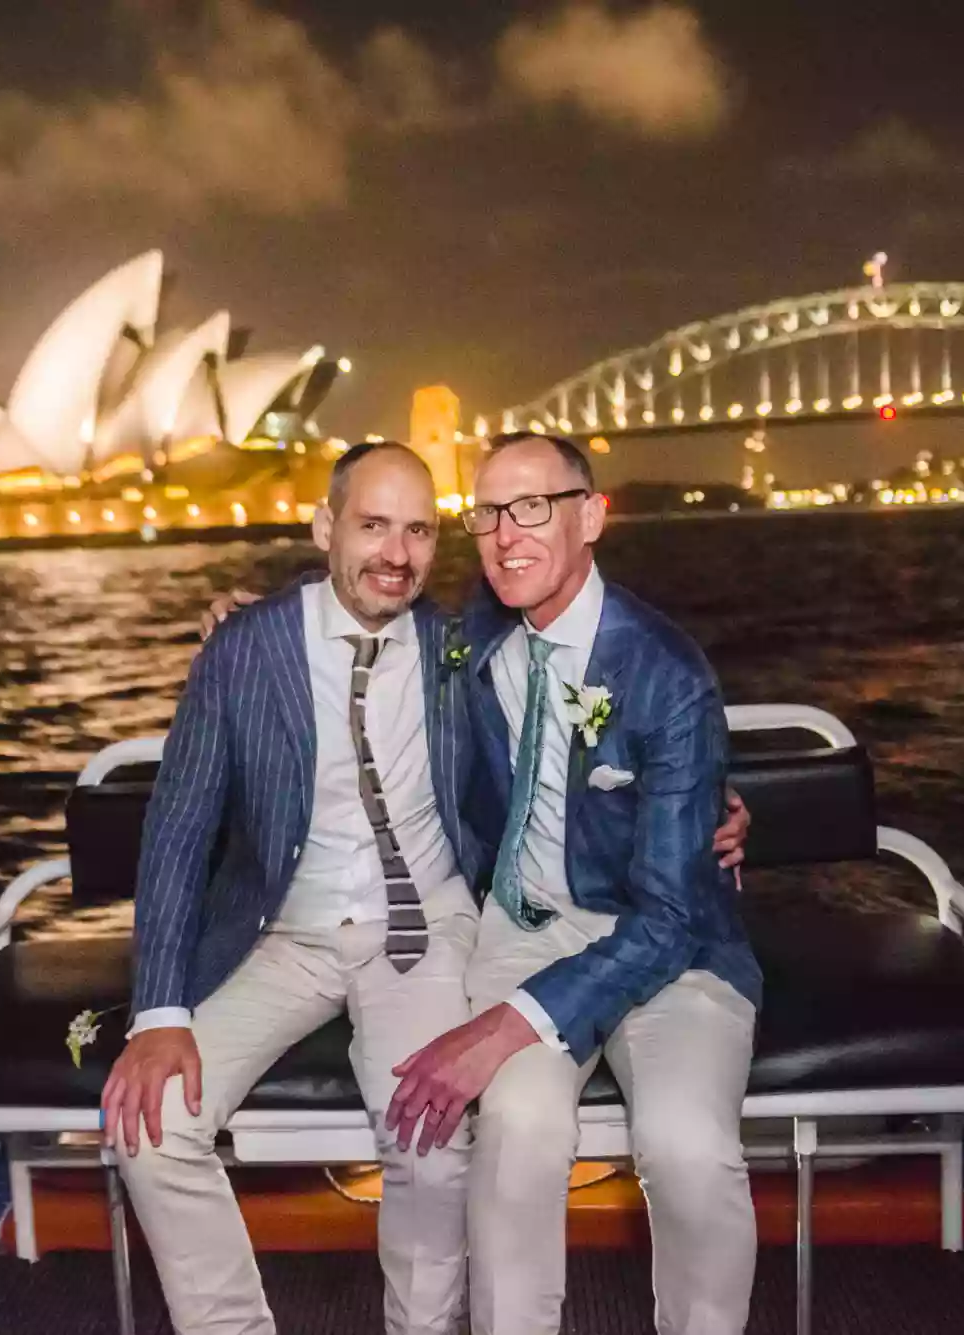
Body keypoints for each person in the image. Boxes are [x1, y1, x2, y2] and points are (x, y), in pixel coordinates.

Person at [383, 431, 761, 1335]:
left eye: (532, 507)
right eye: (486, 513)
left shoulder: (667, 673)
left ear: (591, 516)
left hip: (671, 945)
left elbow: (669, 915)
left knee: (689, 1146)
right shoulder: (476, 635)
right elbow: (373, 614)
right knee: (517, 1129)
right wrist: (251, 617)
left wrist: (503, 1024)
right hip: (525, 930)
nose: (505, 533)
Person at [104, 442, 484, 1335]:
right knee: (151, 1130)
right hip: (282, 933)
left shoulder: (461, 647)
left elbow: (579, 713)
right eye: (374, 524)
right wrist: (158, 1013)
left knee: (431, 1146)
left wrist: (704, 791)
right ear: (325, 528)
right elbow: (179, 829)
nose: (397, 552)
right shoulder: (246, 648)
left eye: (419, 530)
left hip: (421, 927)